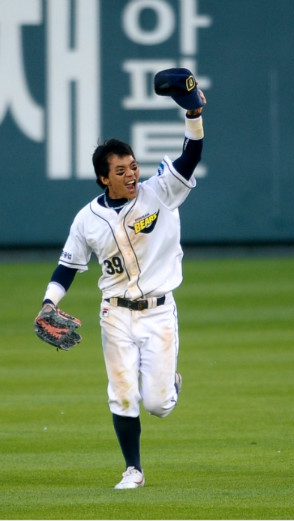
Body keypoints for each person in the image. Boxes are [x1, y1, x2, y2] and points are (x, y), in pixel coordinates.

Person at [35, 74, 206, 489]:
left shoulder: (160, 193)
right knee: (123, 394)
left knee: (158, 404)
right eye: (121, 170)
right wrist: (47, 303)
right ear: (103, 178)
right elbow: (68, 266)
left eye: (133, 167)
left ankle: (171, 386)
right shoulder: (86, 219)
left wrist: (194, 113)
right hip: (114, 313)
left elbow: (190, 155)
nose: (131, 175)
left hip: (159, 312)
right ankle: (134, 469)